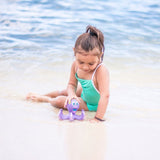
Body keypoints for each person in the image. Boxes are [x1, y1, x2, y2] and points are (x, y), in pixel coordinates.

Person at [26, 25, 110, 122]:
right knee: (64, 92)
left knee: (59, 100)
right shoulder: (75, 65)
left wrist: (98, 118)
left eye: (91, 63)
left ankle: (46, 99)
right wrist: (71, 94)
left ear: (100, 56)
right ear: (74, 52)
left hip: (91, 104)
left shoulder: (101, 70)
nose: (85, 67)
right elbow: (71, 84)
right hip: (84, 93)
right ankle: (42, 95)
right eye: (81, 62)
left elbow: (105, 95)